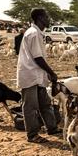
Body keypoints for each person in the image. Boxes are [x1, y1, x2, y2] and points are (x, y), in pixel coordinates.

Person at [17, 8, 60, 144]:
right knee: (30, 106)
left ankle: (51, 127)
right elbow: (38, 58)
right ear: (40, 18)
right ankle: (32, 135)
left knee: (45, 103)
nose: (48, 19)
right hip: (30, 74)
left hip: (37, 74)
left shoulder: (36, 33)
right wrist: (51, 72)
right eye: (46, 16)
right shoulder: (34, 33)